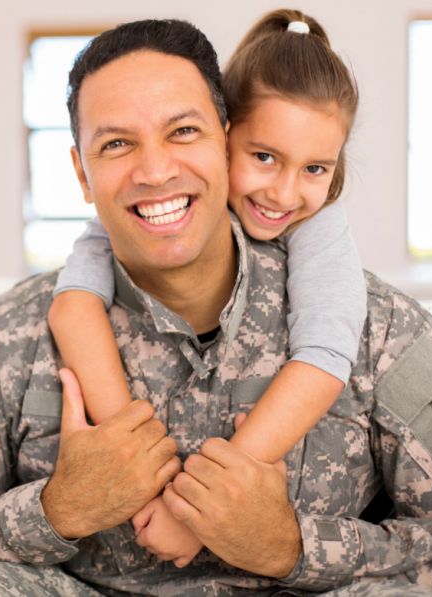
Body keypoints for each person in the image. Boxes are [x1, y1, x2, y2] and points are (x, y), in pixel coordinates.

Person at [0, 16, 432, 597]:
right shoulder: (15, 333)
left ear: (223, 138)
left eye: (182, 132)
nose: (154, 170)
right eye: (117, 144)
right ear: (81, 174)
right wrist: (54, 510)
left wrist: (294, 546)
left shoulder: (370, 327)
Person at [47, 9, 364, 568]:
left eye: (316, 169)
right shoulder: (119, 224)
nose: (285, 193)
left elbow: (326, 352)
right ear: (229, 138)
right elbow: (72, 310)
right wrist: (138, 478)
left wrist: (200, 509)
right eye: (263, 157)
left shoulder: (320, 227)